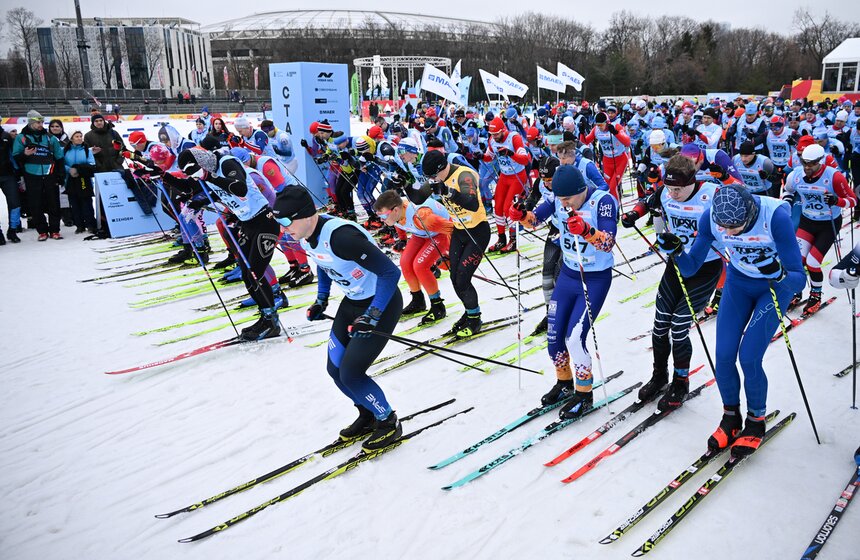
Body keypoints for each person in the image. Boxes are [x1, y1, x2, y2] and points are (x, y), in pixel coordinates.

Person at [660, 184, 804, 457]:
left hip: (773, 287)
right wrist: (677, 252)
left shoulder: (775, 217)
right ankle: (731, 418)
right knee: (723, 355)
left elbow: (799, 278)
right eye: (722, 225)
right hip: (738, 284)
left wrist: (781, 273)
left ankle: (755, 421)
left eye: (733, 227)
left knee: (749, 357)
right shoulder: (710, 218)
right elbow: (691, 268)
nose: (726, 232)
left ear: (749, 216)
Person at [275, 187, 404, 450]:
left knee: (351, 372)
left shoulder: (343, 237)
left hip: (382, 303)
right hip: (353, 303)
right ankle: (368, 414)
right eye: (279, 222)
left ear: (307, 215)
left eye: (286, 221)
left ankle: (389, 422)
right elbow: (324, 264)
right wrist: (321, 299)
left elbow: (390, 273)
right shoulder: (305, 235)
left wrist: (373, 315)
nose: (283, 228)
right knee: (334, 370)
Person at [513, 164, 617, 418]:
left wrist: (587, 231)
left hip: (593, 279)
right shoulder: (558, 201)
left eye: (568, 198)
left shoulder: (602, 201)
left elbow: (608, 243)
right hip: (569, 275)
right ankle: (565, 382)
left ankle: (584, 393)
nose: (564, 203)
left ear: (581, 190)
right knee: (553, 337)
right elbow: (534, 220)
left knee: (574, 338)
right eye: (560, 198)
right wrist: (521, 214)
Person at [620, 155, 722, 409]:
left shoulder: (711, 195)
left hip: (705, 267)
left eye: (679, 189)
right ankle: (659, 376)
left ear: (692, 182)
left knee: (679, 325)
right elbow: (648, 201)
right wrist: (634, 213)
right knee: (660, 322)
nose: (673, 194)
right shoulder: (666, 192)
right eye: (670, 188)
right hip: (677, 262)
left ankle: (681, 381)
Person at [166, 147, 282, 341]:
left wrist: (207, 176)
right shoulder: (207, 173)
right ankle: (266, 316)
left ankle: (272, 322)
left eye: (194, 169)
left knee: (255, 273)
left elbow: (240, 188)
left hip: (264, 221)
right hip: (247, 223)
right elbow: (189, 188)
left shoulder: (227, 163)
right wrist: (161, 176)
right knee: (247, 273)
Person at [421, 149, 490, 337]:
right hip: (459, 232)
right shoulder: (437, 178)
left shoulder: (464, 175)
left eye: (434, 176)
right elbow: (417, 197)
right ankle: (469, 314)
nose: (432, 180)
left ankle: (475, 320)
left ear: (442, 167)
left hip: (478, 231)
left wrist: (448, 192)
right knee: (454, 277)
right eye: (429, 177)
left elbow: (472, 203)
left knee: (462, 278)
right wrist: (403, 184)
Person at [782, 144, 857, 313]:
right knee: (796, 261)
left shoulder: (834, 177)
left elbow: (853, 200)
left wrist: (837, 201)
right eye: (804, 163)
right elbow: (787, 191)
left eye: (812, 163)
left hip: (828, 225)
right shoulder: (795, 176)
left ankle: (815, 296)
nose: (807, 167)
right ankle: (796, 292)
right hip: (807, 222)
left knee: (813, 262)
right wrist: (786, 205)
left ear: (821, 161)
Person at [373, 189, 452, 323]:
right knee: (405, 262)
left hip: (439, 234)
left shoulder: (422, 216)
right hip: (421, 233)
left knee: (420, 266)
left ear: (395, 210)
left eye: (384, 216)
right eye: (379, 216)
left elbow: (453, 229)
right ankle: (418, 300)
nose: (382, 220)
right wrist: (402, 239)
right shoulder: (397, 213)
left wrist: (451, 254)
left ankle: (438, 305)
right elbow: (398, 224)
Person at [508, 156, 562, 335]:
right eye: (544, 180)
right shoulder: (541, 183)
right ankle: (551, 314)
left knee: (559, 274)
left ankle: (565, 312)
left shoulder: (566, 181)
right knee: (547, 273)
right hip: (556, 227)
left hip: (574, 230)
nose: (547, 184)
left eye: (550, 180)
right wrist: (522, 210)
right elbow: (532, 200)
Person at [11, 110, 65, 241]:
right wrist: (25, 155)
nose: (40, 124)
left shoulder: (49, 137)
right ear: (31, 123)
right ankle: (42, 231)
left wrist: (60, 175)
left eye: (41, 122)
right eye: (37, 122)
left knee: (54, 203)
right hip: (31, 174)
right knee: (35, 204)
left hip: (50, 174)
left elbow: (59, 157)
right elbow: (15, 156)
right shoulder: (21, 137)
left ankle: (54, 230)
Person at [484, 116, 531, 253]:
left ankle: (513, 239)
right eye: (492, 134)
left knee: (507, 208)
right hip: (504, 176)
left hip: (518, 175)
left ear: (503, 130)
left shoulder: (514, 138)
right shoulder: (492, 140)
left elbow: (525, 160)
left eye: (497, 134)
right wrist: (479, 155)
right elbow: (489, 157)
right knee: (497, 207)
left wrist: (510, 153)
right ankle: (501, 239)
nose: (494, 137)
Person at [580, 111, 631, 201]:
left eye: (601, 125)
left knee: (612, 187)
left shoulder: (616, 126)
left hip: (620, 160)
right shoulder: (596, 130)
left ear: (607, 123)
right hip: (607, 161)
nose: (599, 127)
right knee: (606, 187)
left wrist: (616, 133)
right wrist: (581, 132)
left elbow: (627, 142)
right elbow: (585, 142)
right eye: (597, 125)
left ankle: (616, 208)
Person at [63, 131, 98, 234]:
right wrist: (69, 170)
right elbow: (61, 164)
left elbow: (92, 164)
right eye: (76, 136)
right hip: (70, 180)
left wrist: (78, 169)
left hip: (84, 179)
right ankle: (79, 226)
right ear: (71, 138)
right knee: (74, 204)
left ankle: (90, 225)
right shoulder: (65, 150)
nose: (79, 138)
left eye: (80, 136)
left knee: (86, 203)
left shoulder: (87, 150)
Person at [0, 121, 21, 243]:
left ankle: (12, 230)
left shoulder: (6, 136)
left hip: (8, 175)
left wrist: (17, 172)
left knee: (15, 203)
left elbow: (13, 155)